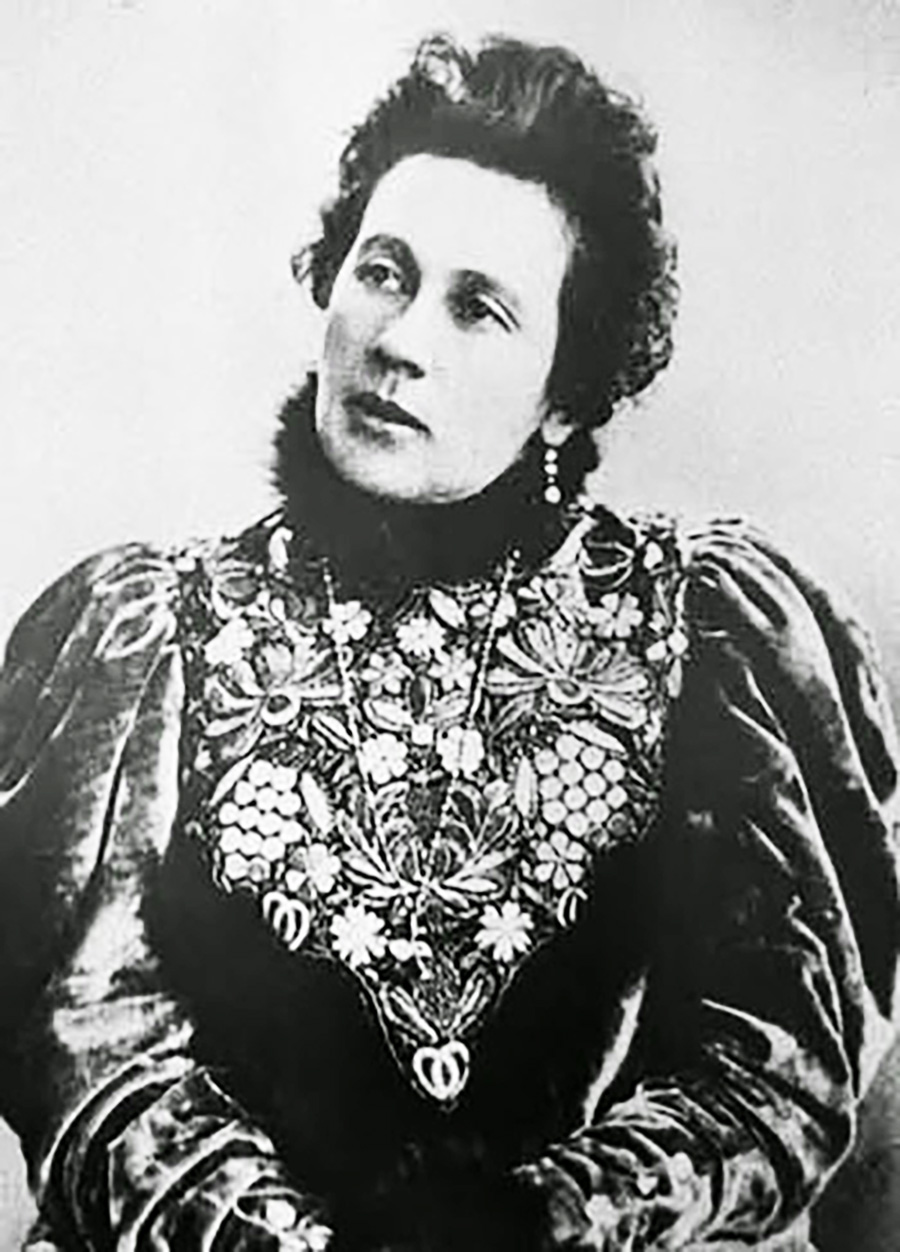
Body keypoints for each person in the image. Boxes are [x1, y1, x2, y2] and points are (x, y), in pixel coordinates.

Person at [0, 31, 897, 1252]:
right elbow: (92, 1045)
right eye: (383, 272)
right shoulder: (155, 636)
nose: (401, 338)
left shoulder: (703, 634)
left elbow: (768, 1071)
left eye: (479, 308)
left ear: (565, 392)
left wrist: (536, 1225)